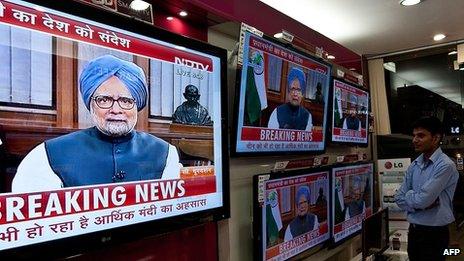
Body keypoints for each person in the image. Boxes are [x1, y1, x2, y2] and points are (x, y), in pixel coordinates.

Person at [12, 55, 181, 192]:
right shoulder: (46, 156)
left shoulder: (165, 154)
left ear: (137, 105)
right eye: (104, 99)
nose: (116, 109)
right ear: (90, 104)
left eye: (126, 100)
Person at [395, 116, 458, 261]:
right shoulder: (414, 165)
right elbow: (399, 198)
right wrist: (418, 202)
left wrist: (413, 198)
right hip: (414, 231)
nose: (414, 140)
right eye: (414, 135)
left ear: (435, 139)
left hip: (435, 235)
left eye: (421, 135)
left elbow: (423, 200)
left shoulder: (445, 165)